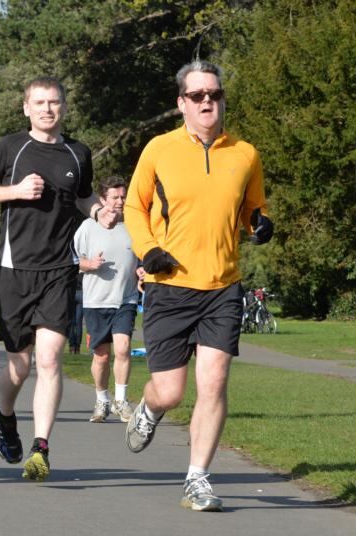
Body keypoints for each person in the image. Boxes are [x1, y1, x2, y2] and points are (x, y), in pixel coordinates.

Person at [123, 60, 273, 511]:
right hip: (169, 285)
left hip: (223, 286)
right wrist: (148, 249)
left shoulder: (244, 153)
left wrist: (258, 226)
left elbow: (252, 209)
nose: (208, 101)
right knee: (170, 391)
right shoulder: (158, 149)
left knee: (215, 383)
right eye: (198, 95)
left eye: (215, 94)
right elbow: (134, 206)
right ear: (181, 104)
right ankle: (147, 411)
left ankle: (197, 478)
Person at [0, 76, 114, 481]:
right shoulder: (10, 148)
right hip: (15, 271)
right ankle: (5, 416)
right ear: (26, 107)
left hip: (58, 270)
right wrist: (14, 190)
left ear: (64, 107)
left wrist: (98, 210)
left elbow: (83, 194)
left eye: (54, 102)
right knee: (19, 366)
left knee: (49, 359)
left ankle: (41, 448)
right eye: (39, 102)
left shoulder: (77, 152)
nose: (47, 109)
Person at [73, 176, 144, 423]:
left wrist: (142, 270)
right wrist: (89, 264)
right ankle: (102, 400)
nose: (120, 201)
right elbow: (72, 261)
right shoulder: (87, 227)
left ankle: (121, 401)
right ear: (102, 200)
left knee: (123, 348)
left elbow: (141, 258)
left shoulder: (133, 225)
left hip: (125, 299)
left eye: (123, 196)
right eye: (115, 197)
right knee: (101, 356)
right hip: (96, 301)